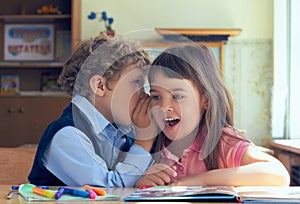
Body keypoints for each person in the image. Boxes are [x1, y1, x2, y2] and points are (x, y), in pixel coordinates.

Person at [134, 43, 290, 187]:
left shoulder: (221, 141)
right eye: (156, 97)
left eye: (177, 96)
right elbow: (122, 184)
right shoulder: (149, 142)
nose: (164, 107)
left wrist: (200, 180)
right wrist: (138, 181)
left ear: (206, 100)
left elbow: (279, 174)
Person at [28, 33, 155, 187]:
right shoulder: (67, 134)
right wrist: (144, 141)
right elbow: (109, 189)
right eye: (136, 82)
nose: (144, 95)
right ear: (99, 86)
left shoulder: (121, 132)